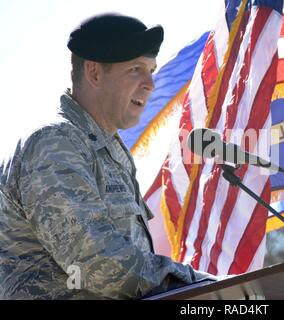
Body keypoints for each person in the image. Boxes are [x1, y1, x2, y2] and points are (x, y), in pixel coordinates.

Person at [0, 13, 215, 299]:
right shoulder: (54, 144)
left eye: (151, 69)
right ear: (95, 73)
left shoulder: (108, 151)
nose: (150, 83)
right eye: (136, 69)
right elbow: (96, 262)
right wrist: (202, 285)